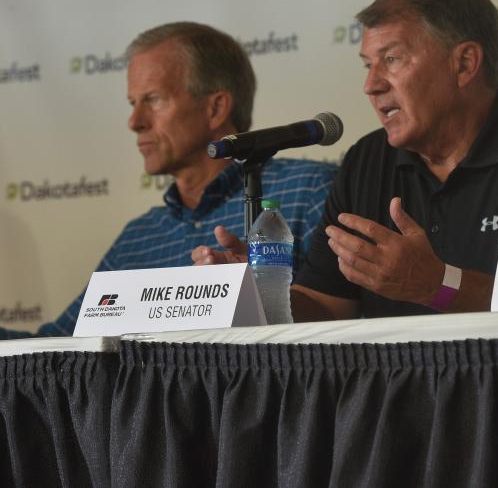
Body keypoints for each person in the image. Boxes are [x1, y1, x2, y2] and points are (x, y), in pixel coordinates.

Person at [202, 0, 498, 319]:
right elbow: (329, 306)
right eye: (368, 65)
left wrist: (438, 284)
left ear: (464, 63)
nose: (370, 85)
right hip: (395, 411)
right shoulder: (367, 161)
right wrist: (261, 294)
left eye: (391, 60)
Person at [0, 22, 336, 338]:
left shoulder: (309, 191)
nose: (134, 121)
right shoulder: (137, 239)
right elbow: (57, 348)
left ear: (215, 108)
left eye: (153, 99)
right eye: (133, 103)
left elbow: (352, 322)